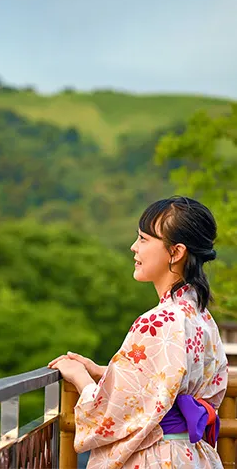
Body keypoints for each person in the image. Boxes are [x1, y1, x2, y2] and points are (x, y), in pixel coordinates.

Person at [48, 196, 228, 468]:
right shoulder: (201, 316)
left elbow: (110, 414)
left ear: (176, 252)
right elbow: (168, 385)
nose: (134, 247)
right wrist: (105, 372)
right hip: (191, 455)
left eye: (144, 239)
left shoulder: (158, 321)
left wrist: (79, 377)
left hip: (157, 456)